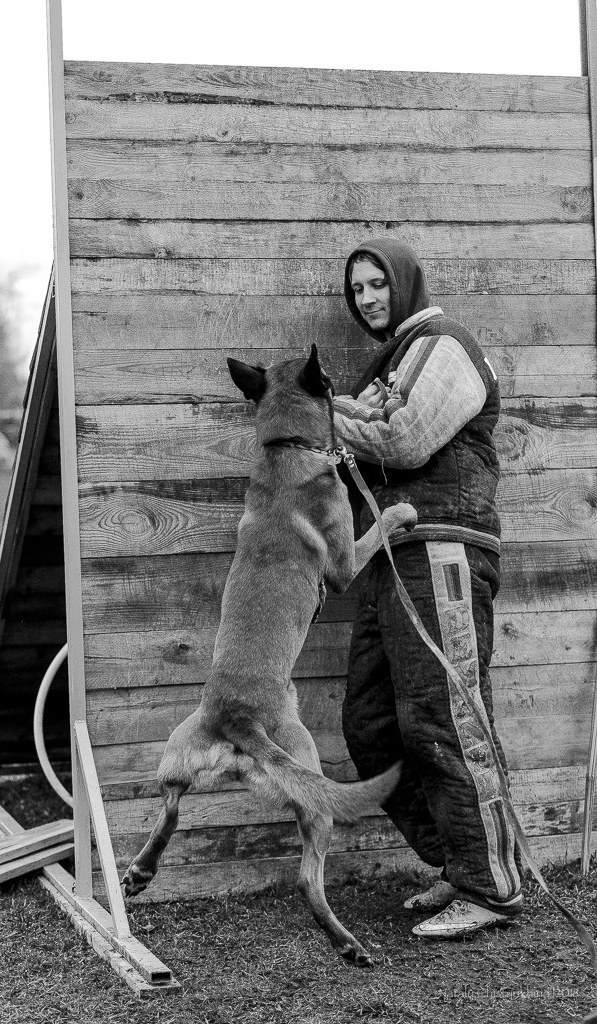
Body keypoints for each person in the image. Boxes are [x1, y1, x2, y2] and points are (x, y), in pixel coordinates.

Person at [332, 237, 523, 938]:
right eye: (356, 291)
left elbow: (406, 438)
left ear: (404, 281)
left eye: (377, 283)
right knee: (372, 723)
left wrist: (319, 416)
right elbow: (369, 425)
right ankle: (460, 862)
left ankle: (489, 884)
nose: (368, 299)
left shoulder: (443, 341)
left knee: (446, 717)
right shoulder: (388, 362)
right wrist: (344, 412)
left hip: (441, 546)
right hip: (388, 554)